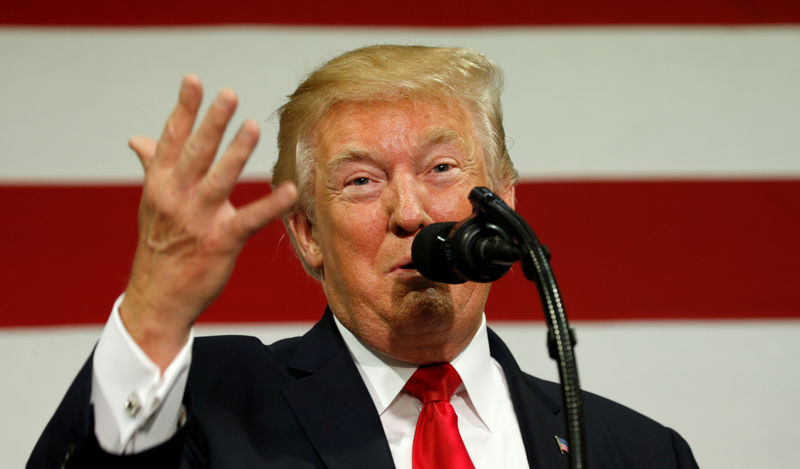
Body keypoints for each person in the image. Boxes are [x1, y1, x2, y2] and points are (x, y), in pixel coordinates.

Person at [28, 45, 699, 468]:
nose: (411, 212)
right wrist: (155, 309)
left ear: (505, 201)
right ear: (307, 232)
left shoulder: (636, 450)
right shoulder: (216, 407)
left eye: (441, 168)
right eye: (361, 181)